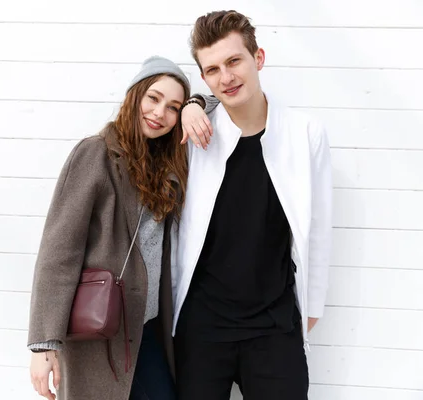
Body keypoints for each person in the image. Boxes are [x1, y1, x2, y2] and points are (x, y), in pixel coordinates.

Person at [172, 10, 333, 400]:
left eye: (234, 61)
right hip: (203, 327)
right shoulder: (195, 136)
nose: (225, 77)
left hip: (274, 326)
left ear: (258, 58)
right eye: (212, 70)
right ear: (204, 78)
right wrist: (190, 105)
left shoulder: (305, 133)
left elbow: (319, 223)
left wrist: (311, 307)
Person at [28, 56, 191, 400]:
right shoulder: (95, 154)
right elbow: (59, 250)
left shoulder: (167, 166)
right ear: (135, 96)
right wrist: (44, 345)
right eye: (154, 98)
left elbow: (226, 100)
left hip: (145, 332)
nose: (160, 112)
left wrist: (195, 105)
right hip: (99, 332)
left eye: (174, 107)